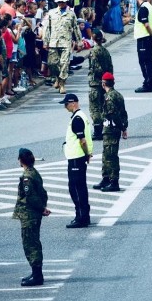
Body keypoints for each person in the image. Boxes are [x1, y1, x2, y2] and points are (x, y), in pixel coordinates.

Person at [14, 148, 50, 287]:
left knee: (30, 244)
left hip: (29, 214)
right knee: (33, 242)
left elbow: (31, 197)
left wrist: (41, 208)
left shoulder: (27, 176)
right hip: (33, 214)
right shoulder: (34, 173)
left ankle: (37, 275)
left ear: (21, 160)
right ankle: (36, 273)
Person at [60, 93, 93, 228]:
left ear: (73, 103)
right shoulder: (80, 116)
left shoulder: (77, 119)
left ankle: (81, 217)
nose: (65, 107)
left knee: (76, 189)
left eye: (66, 104)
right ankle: (84, 215)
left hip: (76, 158)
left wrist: (87, 154)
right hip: (77, 157)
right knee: (80, 188)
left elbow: (83, 141)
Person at [42, 0, 81, 94]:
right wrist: (45, 41)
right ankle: (57, 77)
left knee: (64, 63)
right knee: (52, 63)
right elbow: (47, 28)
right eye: (59, 2)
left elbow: (76, 28)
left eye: (62, 2)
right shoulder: (51, 13)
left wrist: (79, 41)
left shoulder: (71, 14)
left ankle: (62, 83)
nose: (61, 4)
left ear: (66, 2)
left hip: (66, 42)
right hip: (53, 41)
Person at [96, 72, 128, 192]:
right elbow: (124, 113)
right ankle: (106, 178)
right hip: (111, 129)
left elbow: (113, 115)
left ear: (103, 83)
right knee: (106, 154)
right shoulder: (118, 95)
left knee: (111, 156)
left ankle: (114, 181)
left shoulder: (109, 97)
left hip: (111, 129)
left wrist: (122, 127)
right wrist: (124, 127)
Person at [87, 29, 113, 140]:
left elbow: (96, 68)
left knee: (95, 108)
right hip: (105, 83)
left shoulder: (94, 51)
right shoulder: (105, 51)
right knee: (104, 106)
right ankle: (108, 127)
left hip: (96, 83)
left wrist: (100, 76)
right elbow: (110, 67)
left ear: (93, 38)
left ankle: (98, 131)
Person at [133, 0, 152, 92]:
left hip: (144, 38)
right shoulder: (150, 7)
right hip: (148, 38)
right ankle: (150, 82)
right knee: (148, 61)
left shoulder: (143, 8)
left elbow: (146, 24)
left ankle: (147, 83)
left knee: (144, 62)